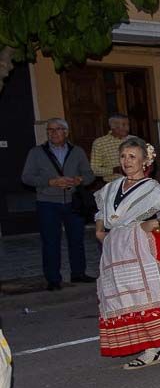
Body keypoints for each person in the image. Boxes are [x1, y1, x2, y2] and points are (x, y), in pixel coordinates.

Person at [94, 138, 160, 368]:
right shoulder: (112, 187)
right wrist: (100, 229)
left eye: (133, 156)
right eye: (123, 156)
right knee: (125, 295)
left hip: (140, 246)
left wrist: (156, 224)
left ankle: (153, 349)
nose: (127, 161)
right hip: (115, 250)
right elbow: (101, 210)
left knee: (145, 294)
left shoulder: (152, 189)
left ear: (145, 161)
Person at [21, 118, 96, 291]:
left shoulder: (77, 151)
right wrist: (50, 182)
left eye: (58, 129)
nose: (53, 133)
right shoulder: (36, 152)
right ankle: (53, 279)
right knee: (50, 242)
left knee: (76, 240)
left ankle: (78, 273)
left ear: (66, 132)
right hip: (47, 203)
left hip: (73, 202)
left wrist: (79, 180)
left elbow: (89, 175)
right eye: (50, 130)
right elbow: (26, 177)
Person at [90, 114, 132, 184]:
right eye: (124, 125)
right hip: (113, 185)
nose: (127, 128)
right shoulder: (100, 143)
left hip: (136, 183)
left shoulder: (134, 140)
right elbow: (94, 169)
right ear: (113, 127)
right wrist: (114, 170)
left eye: (128, 125)